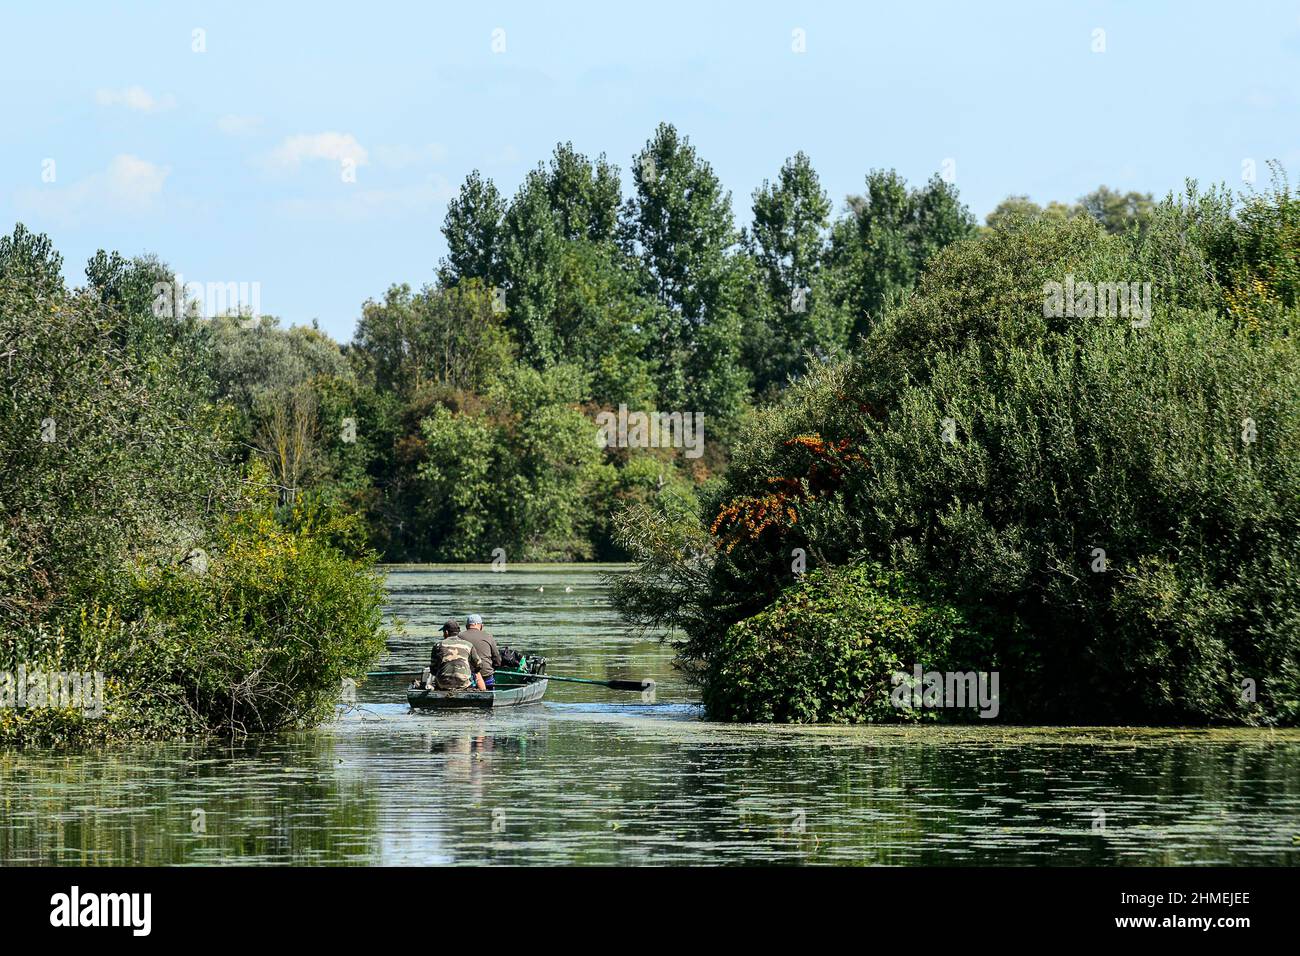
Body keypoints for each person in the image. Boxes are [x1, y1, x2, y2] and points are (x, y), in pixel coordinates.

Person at [428, 619, 486, 691]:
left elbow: (433, 669)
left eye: (443, 632)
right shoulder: (468, 645)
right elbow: (479, 665)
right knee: (475, 674)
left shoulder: (438, 645)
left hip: (442, 684)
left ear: (446, 632)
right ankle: (482, 691)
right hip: (464, 684)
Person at [463, 613, 502, 688]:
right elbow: (497, 660)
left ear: (466, 626)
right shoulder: (488, 636)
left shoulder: (459, 636)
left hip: (464, 676)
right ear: (481, 626)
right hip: (486, 675)